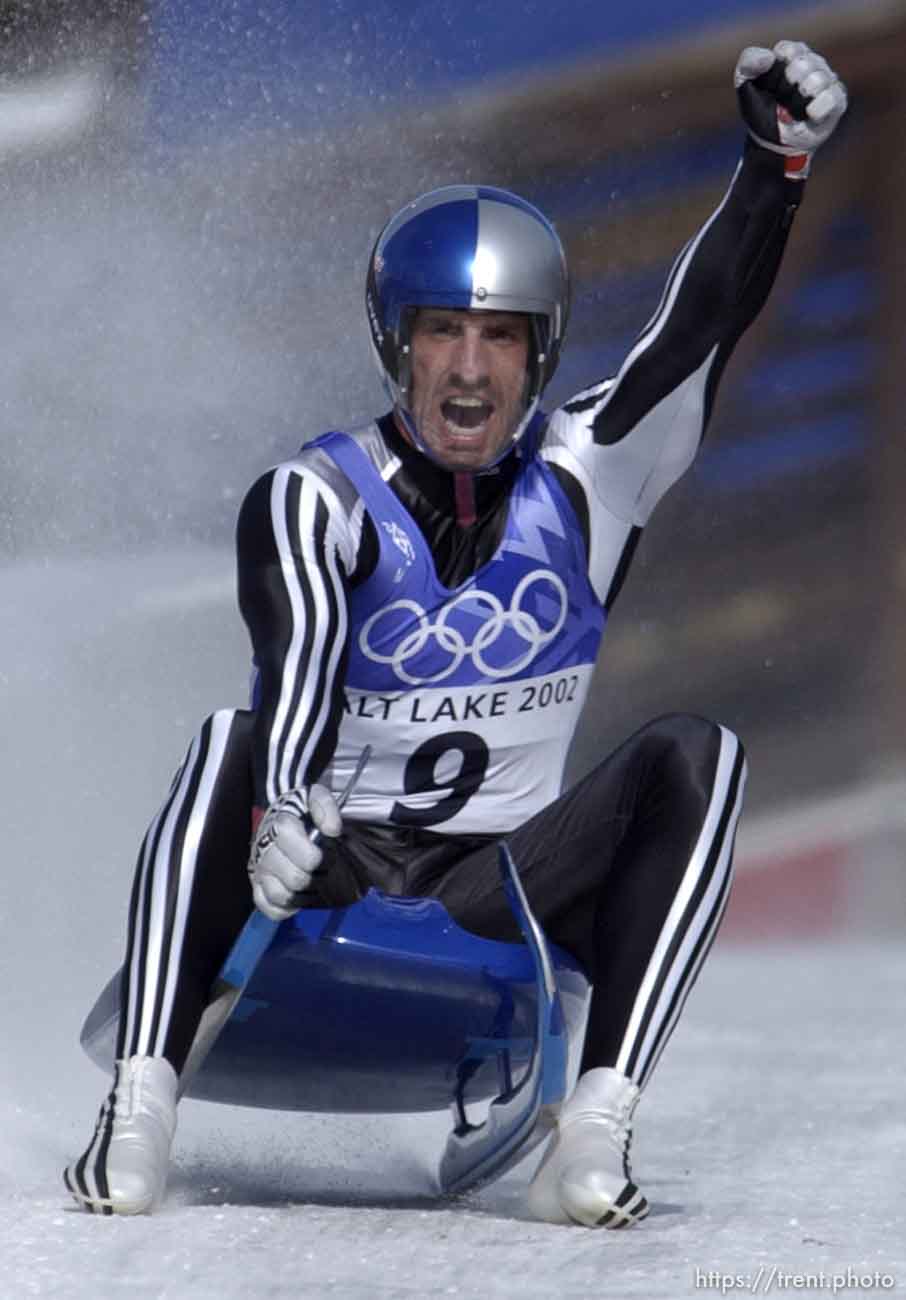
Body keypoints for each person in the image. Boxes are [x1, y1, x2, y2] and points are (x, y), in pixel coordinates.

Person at [65, 40, 846, 1224]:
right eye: (442, 333)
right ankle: (137, 1105)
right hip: (319, 872)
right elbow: (302, 656)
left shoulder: (593, 478)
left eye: (502, 337)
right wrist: (281, 800)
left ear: (542, 354)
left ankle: (597, 1124)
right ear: (396, 343)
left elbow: (696, 330)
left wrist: (771, 168)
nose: (469, 371)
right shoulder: (314, 493)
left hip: (504, 891)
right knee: (229, 738)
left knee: (704, 754)